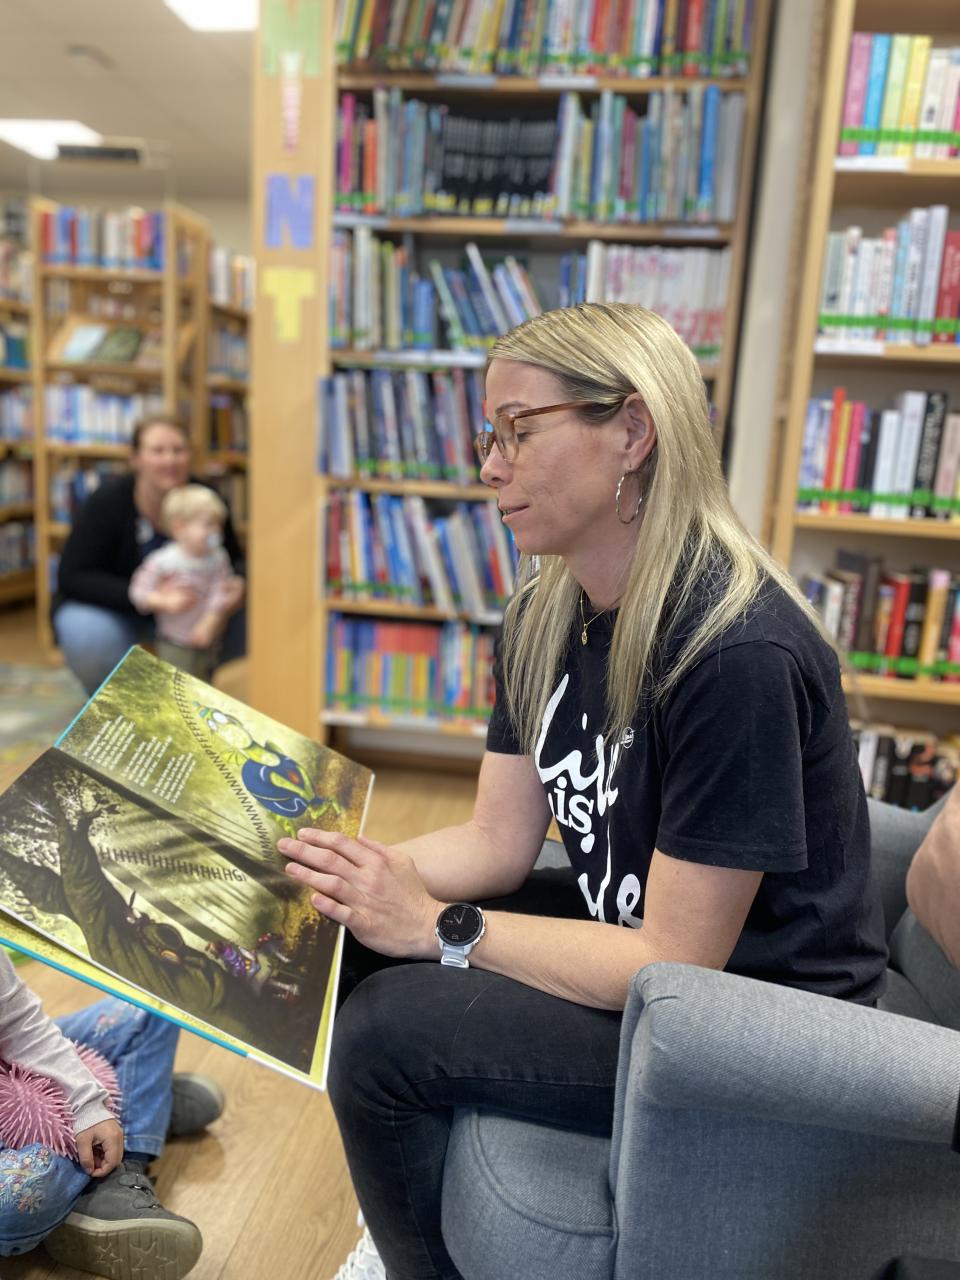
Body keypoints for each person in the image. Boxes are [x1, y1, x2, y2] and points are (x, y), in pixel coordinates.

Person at [279, 302, 890, 1280]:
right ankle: (415, 1223)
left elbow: (678, 960)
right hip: (653, 950)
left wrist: (439, 924)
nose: (488, 465)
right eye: (489, 435)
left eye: (518, 430)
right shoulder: (541, 613)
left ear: (633, 431)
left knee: (386, 1034)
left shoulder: (735, 651)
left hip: (753, 1016)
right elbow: (498, 837)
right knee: (346, 940)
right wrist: (348, 873)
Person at [0, 948, 225, 1278]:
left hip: (18, 1069)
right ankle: (139, 1110)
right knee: (14, 1201)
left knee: (155, 1001)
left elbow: (20, 1024)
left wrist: (88, 1105)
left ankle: (129, 1125)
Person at [53, 415, 246, 695]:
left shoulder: (206, 500)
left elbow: (234, 559)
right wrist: (152, 598)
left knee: (255, 617)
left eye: (178, 450)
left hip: (195, 614)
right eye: (158, 451)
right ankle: (114, 704)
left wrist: (238, 583)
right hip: (119, 610)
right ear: (136, 459)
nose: (170, 460)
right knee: (88, 636)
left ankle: (193, 695)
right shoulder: (106, 503)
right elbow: (73, 576)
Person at [128, 484, 235, 681]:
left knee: (204, 684)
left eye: (217, 524)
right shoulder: (162, 561)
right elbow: (138, 591)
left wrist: (210, 621)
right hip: (173, 641)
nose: (216, 531)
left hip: (209, 638)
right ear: (180, 527)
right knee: (176, 685)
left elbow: (221, 590)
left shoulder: (219, 558)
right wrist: (163, 601)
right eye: (208, 524)